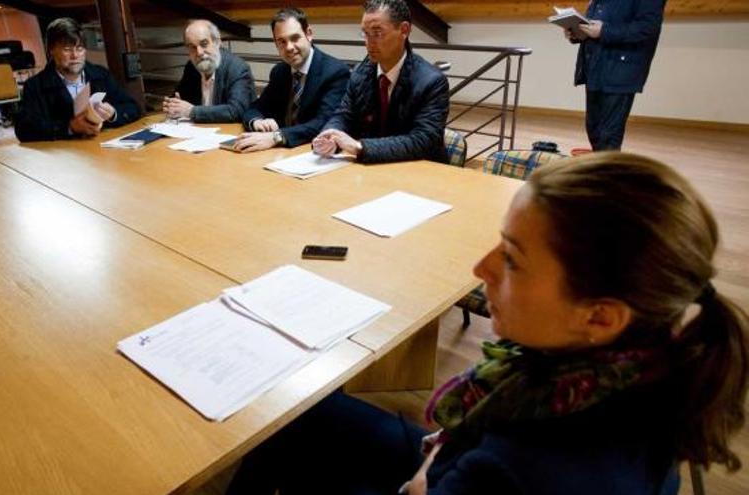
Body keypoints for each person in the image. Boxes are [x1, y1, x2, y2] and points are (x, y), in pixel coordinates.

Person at [226, 152, 749, 495]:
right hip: (457, 453)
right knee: (299, 414)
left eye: (514, 259)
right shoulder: (655, 365)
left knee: (285, 434)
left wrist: (427, 480)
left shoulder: (519, 470)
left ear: (600, 315)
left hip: (456, 469)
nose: (481, 269)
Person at [313, 0, 449, 164]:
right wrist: (330, 135)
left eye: (377, 33)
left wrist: (360, 147)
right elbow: (344, 115)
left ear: (404, 30)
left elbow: (423, 140)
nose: (369, 42)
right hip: (374, 171)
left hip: (421, 172)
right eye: (365, 33)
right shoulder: (359, 74)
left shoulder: (432, 81)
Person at [233, 8, 349, 152]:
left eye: (295, 38)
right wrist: (257, 122)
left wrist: (277, 137)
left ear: (309, 34)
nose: (289, 47)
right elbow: (256, 107)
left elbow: (324, 122)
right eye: (281, 41)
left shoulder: (335, 72)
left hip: (311, 152)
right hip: (278, 153)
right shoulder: (279, 71)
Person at [14, 18, 139, 142]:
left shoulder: (101, 74)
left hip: (102, 148)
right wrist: (69, 127)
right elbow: (24, 130)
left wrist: (113, 114)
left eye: (79, 48)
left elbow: (133, 107)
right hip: (63, 156)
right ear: (51, 50)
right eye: (67, 49)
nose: (75, 56)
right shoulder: (35, 85)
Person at [565, 0, 666, 151]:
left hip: (621, 71)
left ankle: (608, 173)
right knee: (594, 130)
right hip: (594, 68)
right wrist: (577, 32)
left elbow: (647, 28)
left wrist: (604, 31)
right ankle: (601, 171)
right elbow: (595, 23)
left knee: (608, 135)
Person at [163, 20, 255, 124]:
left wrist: (191, 111)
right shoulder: (191, 67)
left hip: (229, 132)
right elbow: (180, 95)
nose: (199, 52)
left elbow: (236, 111)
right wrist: (172, 104)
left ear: (217, 42)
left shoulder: (237, 68)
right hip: (198, 131)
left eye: (204, 44)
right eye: (192, 47)